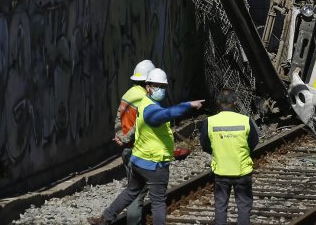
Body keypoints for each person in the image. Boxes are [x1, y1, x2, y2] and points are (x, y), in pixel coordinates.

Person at [89, 68, 204, 225]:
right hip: (154, 164)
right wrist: (188, 105)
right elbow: (165, 115)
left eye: (163, 86)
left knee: (131, 191)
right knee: (158, 202)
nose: (161, 89)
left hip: (138, 161)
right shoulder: (151, 110)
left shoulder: (145, 103)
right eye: (157, 86)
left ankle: (105, 219)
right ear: (148, 86)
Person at [199, 89, 259, 225]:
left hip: (221, 171)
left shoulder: (209, 122)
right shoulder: (245, 120)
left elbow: (204, 144)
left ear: (218, 102)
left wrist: (218, 152)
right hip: (242, 170)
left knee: (220, 206)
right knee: (244, 206)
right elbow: (254, 141)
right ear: (235, 102)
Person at [112, 59, 155, 225]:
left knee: (132, 189)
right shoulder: (144, 98)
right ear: (147, 81)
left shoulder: (127, 94)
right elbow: (139, 125)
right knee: (137, 194)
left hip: (127, 151)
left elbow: (118, 119)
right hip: (139, 150)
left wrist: (120, 137)